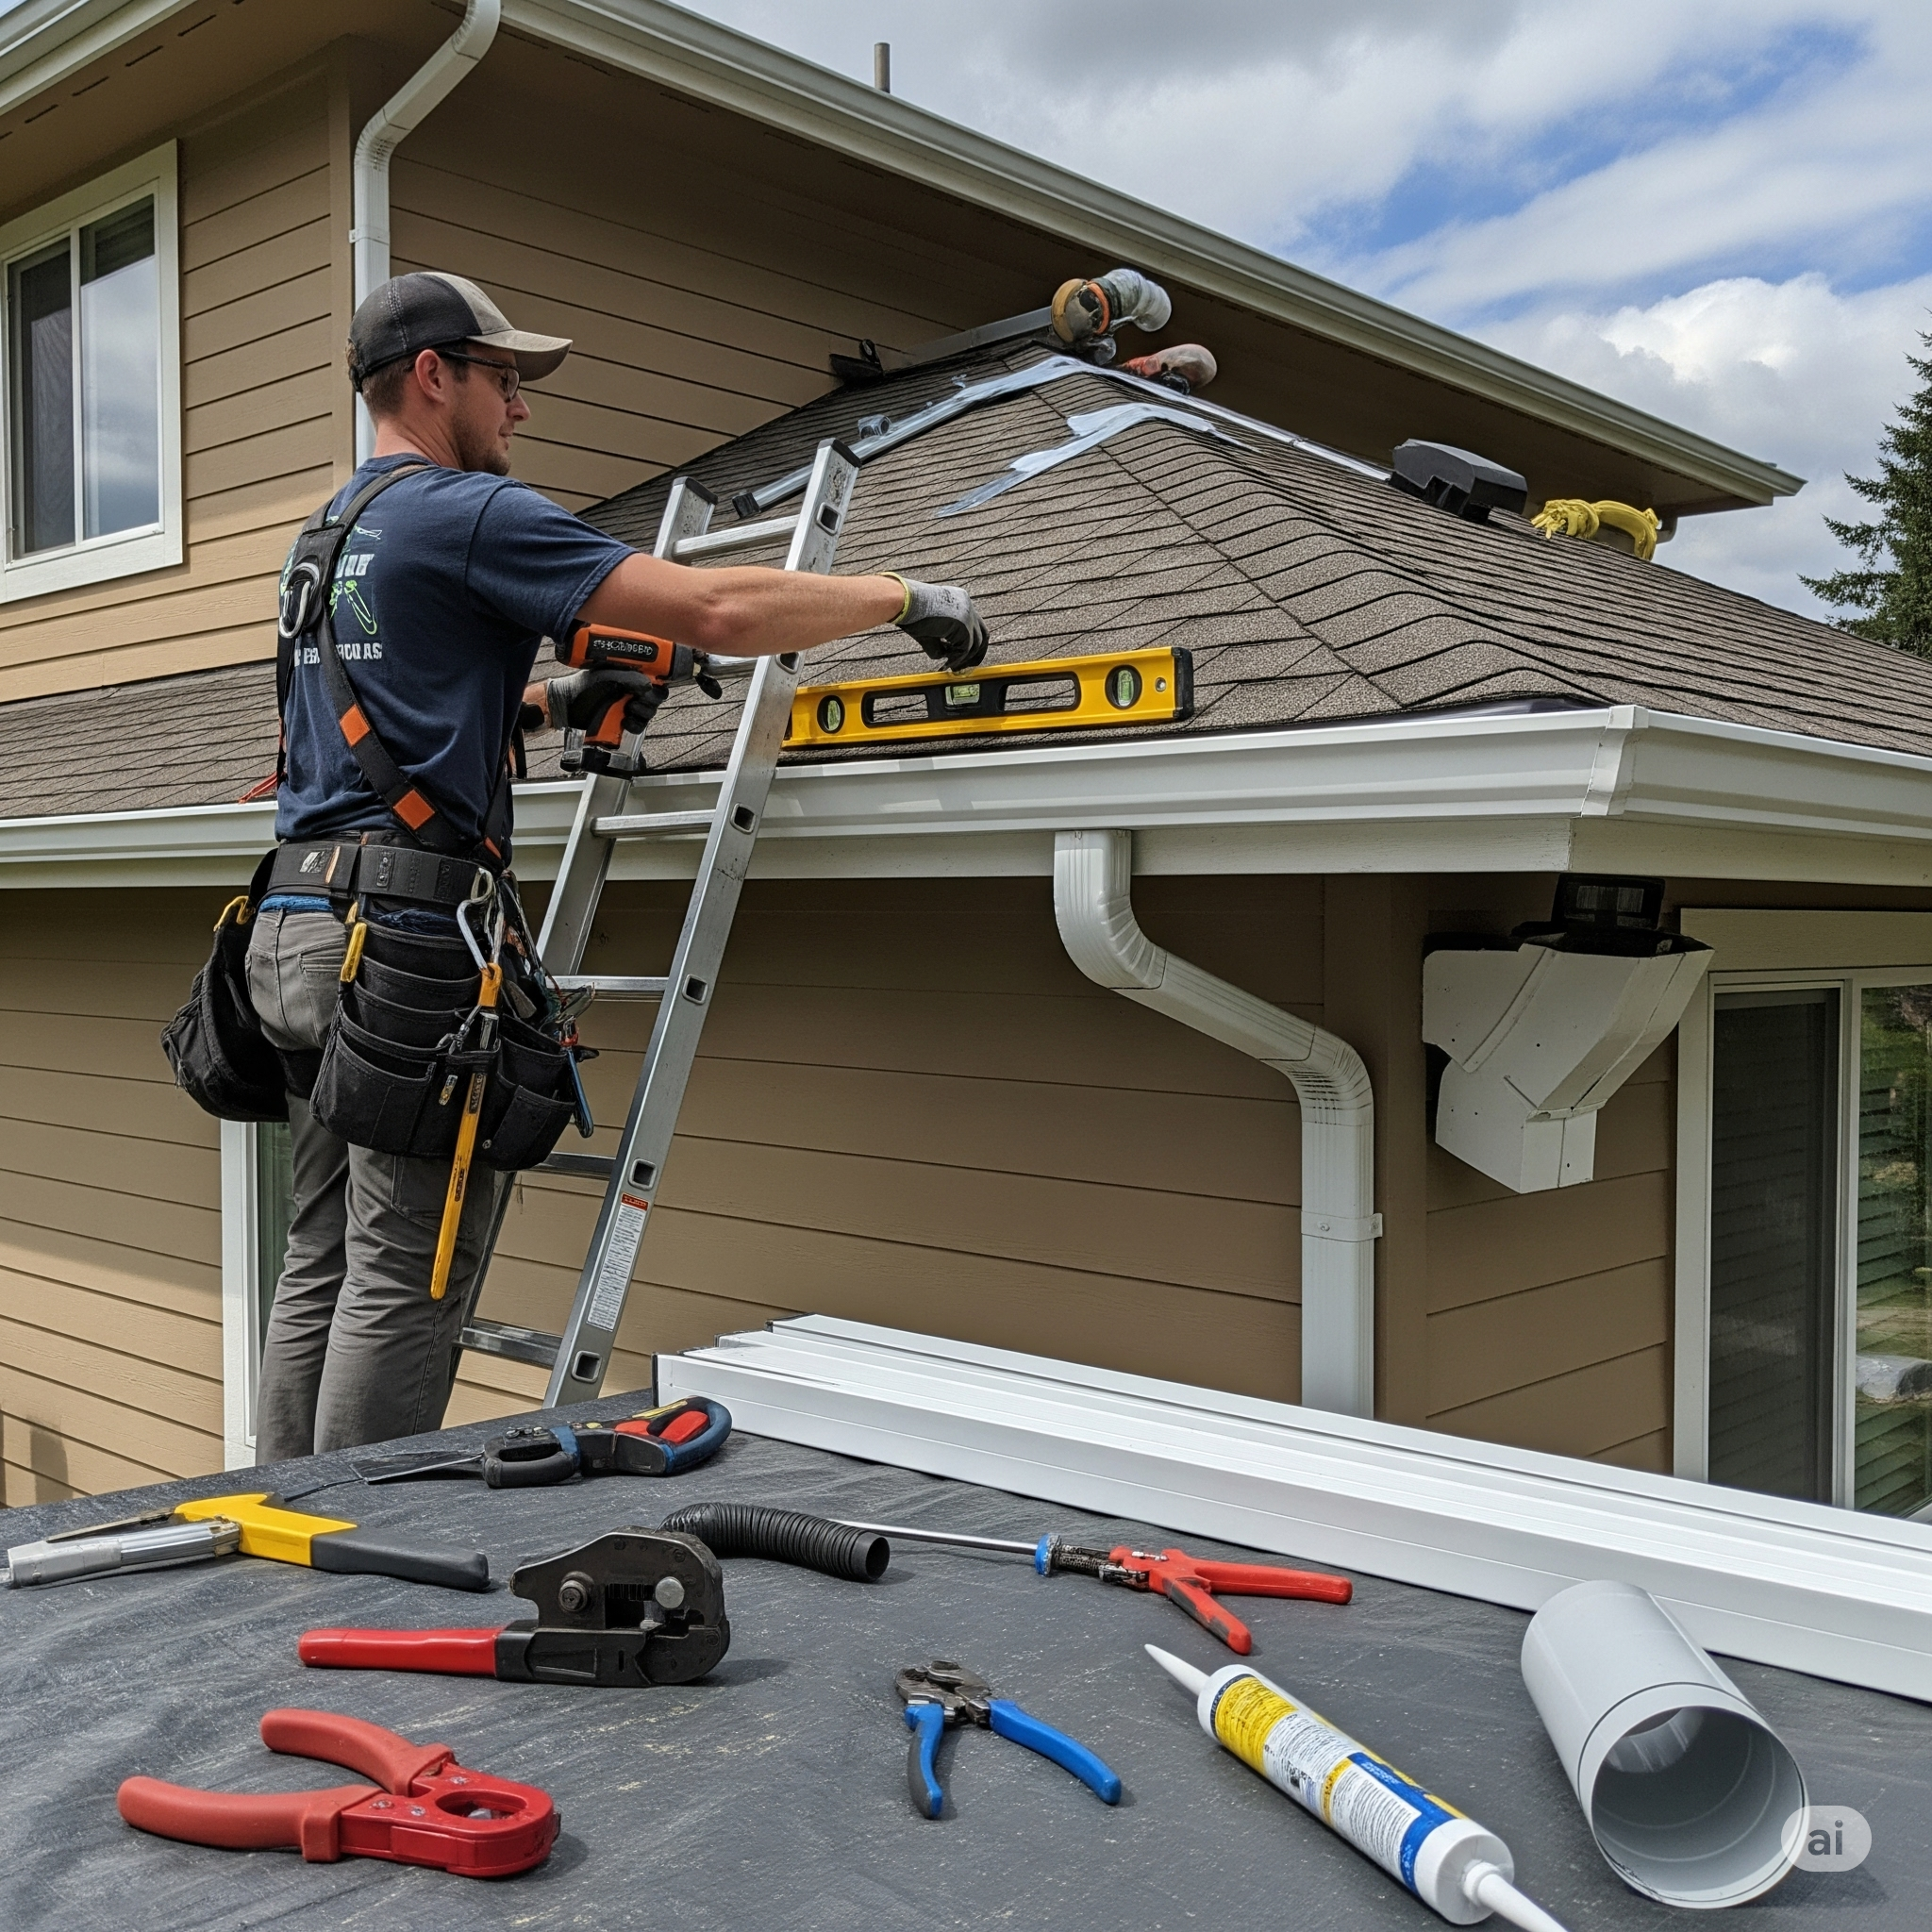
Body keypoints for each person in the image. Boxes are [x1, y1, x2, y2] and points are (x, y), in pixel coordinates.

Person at [248, 271, 988, 1463]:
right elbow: (716, 609)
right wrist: (906, 594)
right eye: (504, 379)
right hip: (400, 944)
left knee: (323, 1248)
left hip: (294, 927)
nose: (521, 410)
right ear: (433, 375)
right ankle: (346, 1539)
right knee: (405, 1265)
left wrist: (552, 700)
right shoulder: (464, 511)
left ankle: (269, 1520)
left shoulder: (329, 533)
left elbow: (385, 718)